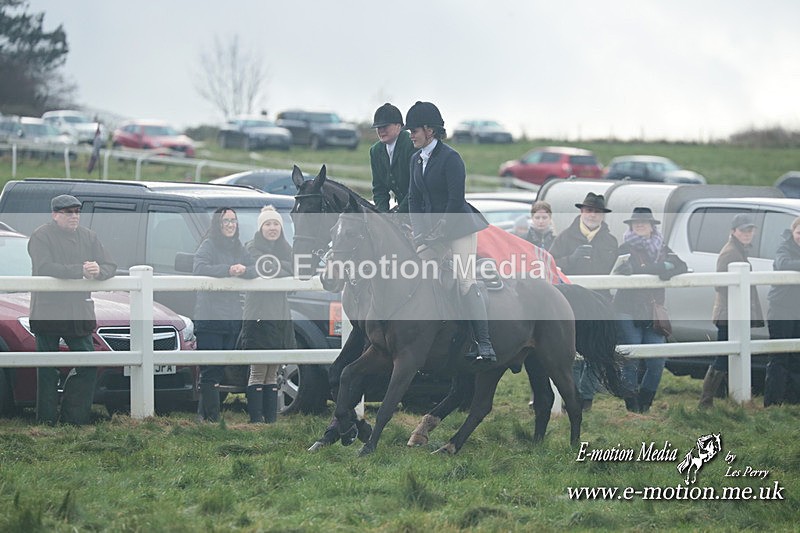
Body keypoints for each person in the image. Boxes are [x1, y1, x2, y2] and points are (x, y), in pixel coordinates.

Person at [405, 101, 495, 362]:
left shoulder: (450, 158)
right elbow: (413, 199)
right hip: (432, 232)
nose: (411, 135)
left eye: (414, 131)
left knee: (465, 279)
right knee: (417, 272)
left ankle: (484, 343)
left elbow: (456, 200)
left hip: (458, 228)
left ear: (429, 130)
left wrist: (440, 229)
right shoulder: (415, 160)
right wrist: (419, 231)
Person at [28, 194, 116, 425]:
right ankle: (46, 421)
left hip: (79, 312)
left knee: (88, 364)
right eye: (68, 213)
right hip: (47, 312)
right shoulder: (40, 236)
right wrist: (80, 270)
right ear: (55, 215)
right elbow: (44, 267)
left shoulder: (89, 236)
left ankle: (74, 419)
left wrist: (99, 271)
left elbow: (110, 265)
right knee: (47, 371)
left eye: (77, 212)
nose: (74, 216)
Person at [613, 207, 687, 412]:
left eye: (644, 222)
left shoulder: (662, 247)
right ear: (631, 226)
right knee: (631, 358)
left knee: (657, 359)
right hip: (628, 308)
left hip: (653, 311)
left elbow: (681, 265)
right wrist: (661, 268)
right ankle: (631, 404)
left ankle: (645, 403)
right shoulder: (624, 248)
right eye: (636, 223)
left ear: (652, 226)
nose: (640, 225)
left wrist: (667, 268)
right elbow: (626, 270)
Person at [549, 192, 619, 411]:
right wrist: (572, 259)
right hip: (571, 303)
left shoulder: (610, 241)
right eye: (589, 210)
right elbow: (550, 264)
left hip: (599, 302)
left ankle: (586, 397)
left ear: (602, 215)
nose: (592, 215)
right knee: (571, 349)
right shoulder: (564, 238)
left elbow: (614, 268)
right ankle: (572, 395)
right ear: (581, 212)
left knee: (595, 351)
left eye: (597, 211)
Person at [193, 207, 256, 422]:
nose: (230, 225)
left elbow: (254, 268)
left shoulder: (239, 247)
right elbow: (199, 268)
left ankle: (204, 416)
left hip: (232, 318)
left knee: (220, 369)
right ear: (218, 224)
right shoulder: (208, 245)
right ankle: (211, 418)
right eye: (226, 221)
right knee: (210, 369)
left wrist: (244, 271)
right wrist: (228, 270)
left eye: (233, 221)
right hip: (210, 317)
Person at [237, 206, 296, 423]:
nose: (272, 228)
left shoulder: (285, 247)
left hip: (279, 315)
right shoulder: (251, 247)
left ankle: (270, 420)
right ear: (261, 227)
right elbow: (265, 268)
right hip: (259, 315)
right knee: (258, 369)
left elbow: (295, 267)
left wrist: (278, 267)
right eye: (268, 224)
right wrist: (282, 269)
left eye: (276, 224)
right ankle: (255, 420)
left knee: (273, 370)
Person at [699, 213, 765, 409]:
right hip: (728, 314)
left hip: (732, 313)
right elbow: (720, 284)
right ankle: (705, 402)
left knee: (731, 355)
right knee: (723, 357)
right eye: (743, 230)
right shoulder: (730, 252)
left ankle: (734, 399)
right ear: (733, 231)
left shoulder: (738, 249)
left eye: (750, 230)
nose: (747, 233)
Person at [764, 216, 800, 406]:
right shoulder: (783, 247)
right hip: (781, 308)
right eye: (799, 232)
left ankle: (792, 403)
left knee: (796, 357)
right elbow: (783, 264)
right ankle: (773, 404)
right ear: (793, 232)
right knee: (779, 356)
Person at [370, 103, 415, 213]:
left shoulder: (411, 144)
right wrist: (382, 215)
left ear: (398, 126)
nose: (381, 131)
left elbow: (415, 187)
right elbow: (379, 188)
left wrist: (399, 213)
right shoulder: (375, 151)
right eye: (378, 127)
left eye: (385, 126)